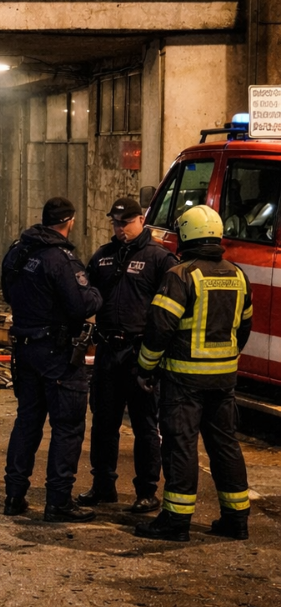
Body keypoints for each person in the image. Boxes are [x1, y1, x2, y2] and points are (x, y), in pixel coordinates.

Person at [134, 205, 254, 541]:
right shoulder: (238, 275)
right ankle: (236, 519)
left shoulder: (181, 276)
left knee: (181, 446)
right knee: (225, 446)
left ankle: (176, 521)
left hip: (184, 381)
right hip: (224, 379)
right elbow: (244, 328)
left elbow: (159, 329)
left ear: (185, 235)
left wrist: (145, 368)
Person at [1, 197, 102, 522]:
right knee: (67, 427)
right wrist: (97, 294)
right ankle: (58, 501)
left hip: (25, 349)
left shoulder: (19, 251)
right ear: (69, 222)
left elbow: (7, 291)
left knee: (27, 422)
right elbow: (81, 305)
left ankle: (14, 496)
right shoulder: (61, 260)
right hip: (57, 354)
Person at [77, 198, 178, 513]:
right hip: (109, 350)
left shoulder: (160, 259)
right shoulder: (103, 257)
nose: (120, 229)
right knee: (103, 423)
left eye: (126, 222)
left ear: (141, 220)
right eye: (116, 223)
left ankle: (146, 490)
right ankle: (103, 485)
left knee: (145, 424)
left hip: (140, 354)